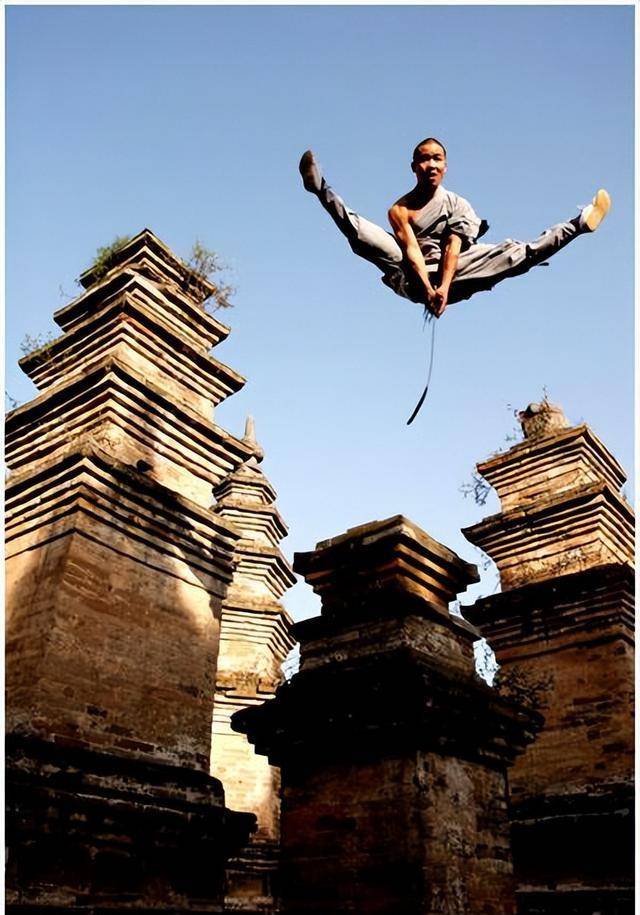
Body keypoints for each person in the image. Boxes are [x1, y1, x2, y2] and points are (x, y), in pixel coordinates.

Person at [298, 139, 610, 318]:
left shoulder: (458, 204)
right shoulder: (399, 209)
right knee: (363, 234)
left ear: (445, 166)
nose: (430, 165)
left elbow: (453, 246)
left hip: (456, 268)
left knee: (517, 253)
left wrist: (444, 289)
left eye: (437, 159)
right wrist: (428, 289)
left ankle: (578, 223)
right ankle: (320, 187)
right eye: (423, 160)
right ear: (413, 167)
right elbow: (410, 251)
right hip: (411, 271)